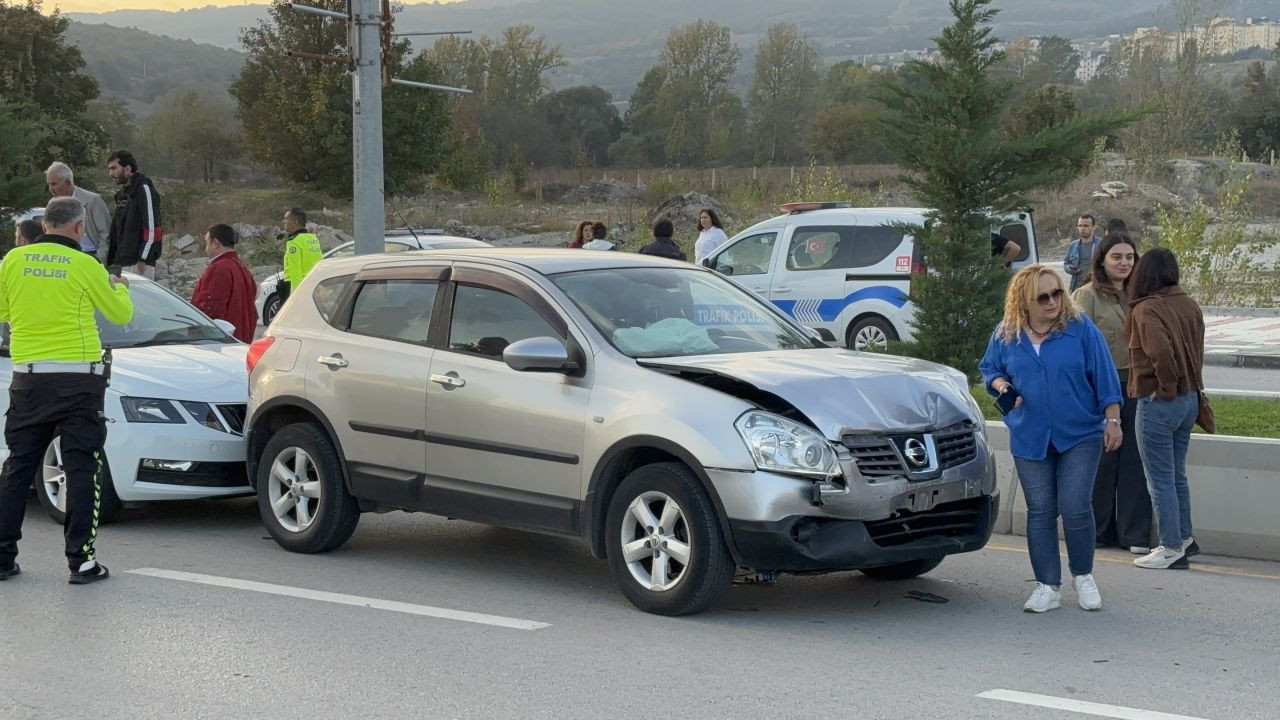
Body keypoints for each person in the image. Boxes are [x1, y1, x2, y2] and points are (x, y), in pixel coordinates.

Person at [0, 197, 133, 585]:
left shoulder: (13, 261)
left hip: (28, 378)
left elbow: (2, 312)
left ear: (43, 226)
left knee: (17, 468)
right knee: (81, 467)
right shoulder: (84, 264)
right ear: (78, 228)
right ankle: (82, 561)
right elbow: (120, 315)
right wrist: (120, 288)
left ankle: (3, 557)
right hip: (79, 379)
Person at [980, 264, 1122, 613]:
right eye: (1041, 296)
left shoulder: (1080, 329)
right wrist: (1000, 385)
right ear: (1023, 301)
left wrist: (1113, 419)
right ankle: (1047, 585)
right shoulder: (1006, 334)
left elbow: (1104, 375)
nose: (1052, 301)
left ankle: (1084, 576)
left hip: (1080, 433)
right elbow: (989, 369)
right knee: (1041, 511)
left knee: (1074, 506)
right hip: (1030, 435)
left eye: (1056, 292)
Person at [1126, 248, 1206, 570]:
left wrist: (1166, 388)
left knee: (1158, 478)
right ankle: (1185, 538)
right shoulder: (1189, 304)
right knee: (1176, 475)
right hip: (1190, 400)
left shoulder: (1145, 309)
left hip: (1160, 401)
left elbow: (1160, 352)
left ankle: (1170, 547)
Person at [1073, 235, 1152, 554]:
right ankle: (1097, 530)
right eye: (1117, 257)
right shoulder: (1086, 296)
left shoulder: (1142, 295)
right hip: (1101, 388)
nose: (1124, 263)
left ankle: (1134, 535)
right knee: (1103, 459)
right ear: (1102, 260)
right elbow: (1076, 345)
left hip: (1137, 385)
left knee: (1136, 460)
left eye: (1130, 257)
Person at [191, 223, 259, 343]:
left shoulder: (219, 268)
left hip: (221, 343)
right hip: (241, 339)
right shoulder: (242, 267)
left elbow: (210, 309)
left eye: (207, 243)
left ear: (216, 243)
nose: (205, 248)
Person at [105, 149, 163, 279]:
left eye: (114, 168)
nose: (111, 173)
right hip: (120, 263)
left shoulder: (144, 189)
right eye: (109, 169)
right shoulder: (122, 195)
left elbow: (153, 225)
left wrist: (143, 258)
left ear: (127, 168)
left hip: (138, 264)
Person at [46, 161, 111, 260]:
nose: (50, 189)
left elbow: (105, 233)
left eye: (54, 184)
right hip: (63, 257)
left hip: (90, 255)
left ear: (67, 182)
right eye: (49, 184)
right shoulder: (52, 204)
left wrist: (99, 259)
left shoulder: (92, 200)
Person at [278, 207, 322, 303]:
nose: (283, 221)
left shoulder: (294, 242)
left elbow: (295, 271)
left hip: (295, 286)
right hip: (312, 284)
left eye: (286, 219)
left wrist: (296, 297)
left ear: (295, 222)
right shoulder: (313, 239)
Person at [1064, 214, 1103, 292]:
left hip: (1096, 287)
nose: (1082, 228)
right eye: (1080, 225)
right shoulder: (1073, 245)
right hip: (1076, 287)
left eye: (1086, 226)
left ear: (1093, 227)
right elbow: (1066, 263)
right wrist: (1070, 269)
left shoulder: (1102, 244)